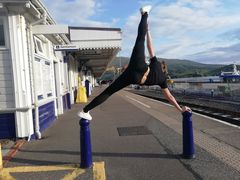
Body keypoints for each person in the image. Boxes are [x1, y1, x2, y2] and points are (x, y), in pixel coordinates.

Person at [79, 5, 191, 120]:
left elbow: (149, 46)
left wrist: (148, 31)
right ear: (165, 71)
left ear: (162, 66)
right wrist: (180, 109)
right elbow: (170, 97)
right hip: (133, 78)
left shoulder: (156, 64)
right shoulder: (163, 80)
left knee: (140, 39)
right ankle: (84, 111)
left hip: (139, 66)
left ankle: (145, 13)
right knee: (108, 92)